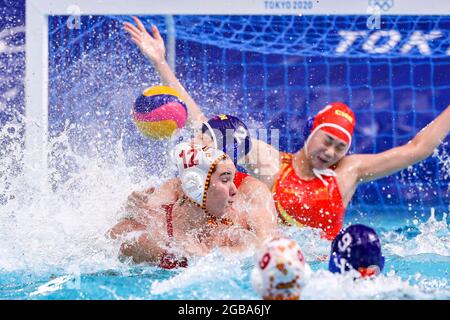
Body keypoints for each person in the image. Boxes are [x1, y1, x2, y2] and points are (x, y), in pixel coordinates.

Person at [123, 16, 450, 240]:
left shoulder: (347, 173)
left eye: (341, 146)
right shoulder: (272, 164)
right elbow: (210, 130)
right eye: (328, 139)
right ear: (312, 131)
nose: (331, 151)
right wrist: (161, 64)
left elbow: (416, 149)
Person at [124, 17, 278, 240]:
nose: (192, 142)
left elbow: (268, 245)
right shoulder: (179, 186)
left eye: (201, 142)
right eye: (196, 136)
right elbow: (141, 225)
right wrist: (134, 207)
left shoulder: (252, 194)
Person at [109, 142, 266, 269]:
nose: (234, 191)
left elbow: (259, 247)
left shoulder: (231, 227)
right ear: (197, 186)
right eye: (225, 180)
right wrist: (128, 209)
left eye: (233, 180)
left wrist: (208, 256)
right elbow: (109, 246)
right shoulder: (156, 227)